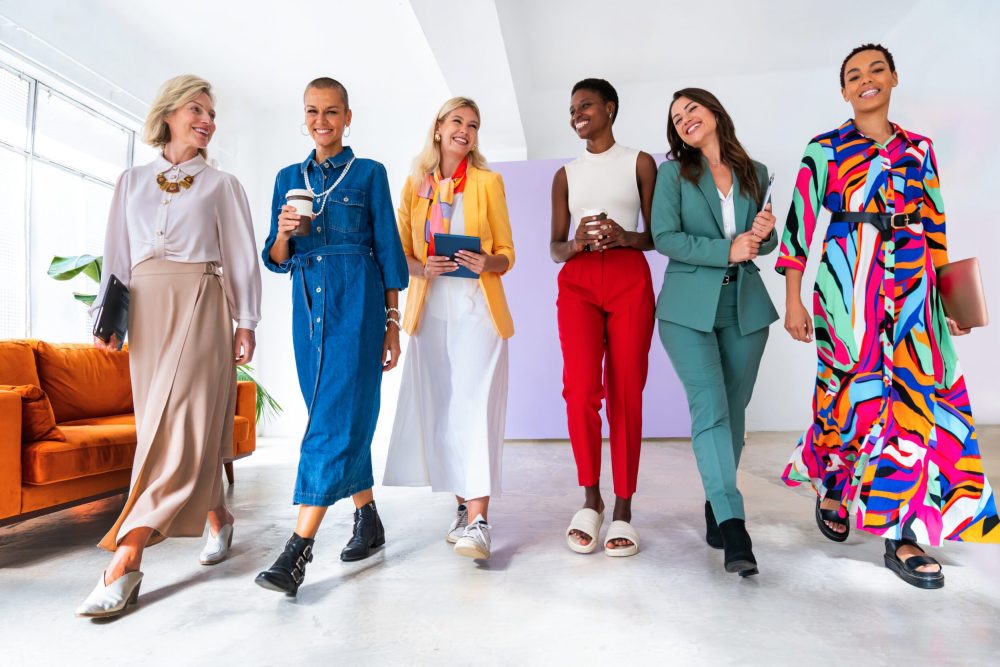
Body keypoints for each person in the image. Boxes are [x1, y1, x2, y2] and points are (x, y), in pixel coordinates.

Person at [777, 43, 1000, 589]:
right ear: (844, 90)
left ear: (894, 77)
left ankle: (901, 533)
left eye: (877, 69)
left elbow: (936, 227)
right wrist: (793, 298)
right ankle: (834, 483)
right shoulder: (824, 149)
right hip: (847, 288)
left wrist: (951, 300)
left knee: (916, 401)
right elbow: (800, 225)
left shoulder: (919, 149)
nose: (866, 80)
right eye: (854, 75)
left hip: (914, 287)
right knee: (846, 394)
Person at [76, 75, 261, 618]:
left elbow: (242, 256)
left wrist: (245, 320)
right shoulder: (130, 181)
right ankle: (218, 517)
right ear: (169, 114)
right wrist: (107, 317)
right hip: (148, 309)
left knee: (180, 422)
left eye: (211, 112)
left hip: (202, 302)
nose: (206, 120)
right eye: (196, 110)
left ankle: (126, 559)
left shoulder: (221, 185)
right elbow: (116, 254)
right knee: (164, 423)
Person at [256, 78, 408, 595]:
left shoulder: (368, 174)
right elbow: (277, 261)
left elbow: (388, 249)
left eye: (332, 112)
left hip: (359, 306)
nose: (321, 120)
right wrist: (284, 234)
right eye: (312, 112)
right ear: (304, 117)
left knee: (333, 423)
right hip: (309, 312)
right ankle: (368, 520)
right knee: (333, 417)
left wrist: (392, 322)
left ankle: (297, 551)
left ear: (347, 117)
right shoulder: (287, 176)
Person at [651, 88, 778, 576]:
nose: (685, 120)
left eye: (692, 110)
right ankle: (733, 526)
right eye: (676, 118)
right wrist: (727, 250)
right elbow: (666, 238)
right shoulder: (673, 174)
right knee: (710, 408)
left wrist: (762, 236)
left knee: (734, 413)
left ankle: (715, 496)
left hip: (744, 308)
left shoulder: (757, 172)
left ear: (715, 112)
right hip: (686, 310)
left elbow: (761, 251)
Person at [383, 97, 515, 561]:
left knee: (475, 406)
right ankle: (461, 508)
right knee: (443, 410)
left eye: (474, 124)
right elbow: (397, 253)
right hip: (430, 313)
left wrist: (486, 261)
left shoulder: (488, 183)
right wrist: (423, 268)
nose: (466, 130)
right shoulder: (414, 185)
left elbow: (507, 253)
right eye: (457, 121)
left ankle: (479, 520)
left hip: (479, 312)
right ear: (438, 127)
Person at [550, 78, 656, 557]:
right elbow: (554, 249)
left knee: (626, 390)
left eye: (586, 105)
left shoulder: (640, 162)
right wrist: (576, 242)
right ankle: (591, 496)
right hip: (578, 281)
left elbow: (656, 235)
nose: (577, 113)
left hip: (629, 277)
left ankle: (625, 506)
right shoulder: (565, 175)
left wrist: (623, 235)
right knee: (579, 391)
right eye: (572, 108)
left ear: (610, 108)